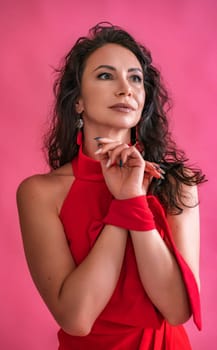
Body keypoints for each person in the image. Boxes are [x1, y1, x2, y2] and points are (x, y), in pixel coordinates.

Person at [17, 22, 206, 349]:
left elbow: (177, 311)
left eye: (135, 78)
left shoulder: (177, 183)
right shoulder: (39, 193)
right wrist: (124, 205)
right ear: (77, 102)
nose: (125, 88)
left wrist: (133, 196)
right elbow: (76, 317)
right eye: (106, 75)